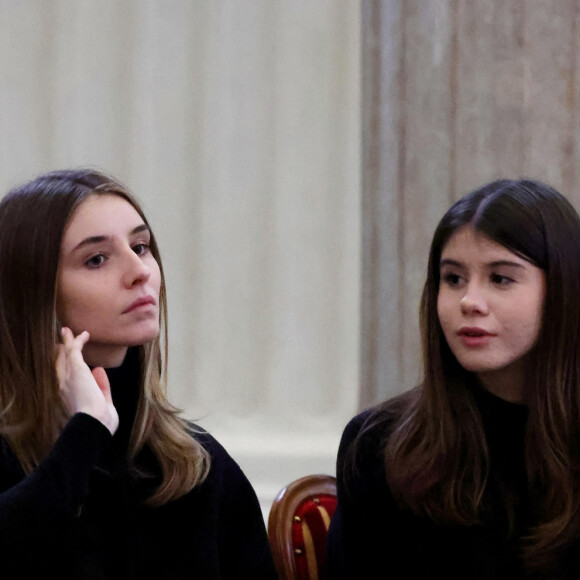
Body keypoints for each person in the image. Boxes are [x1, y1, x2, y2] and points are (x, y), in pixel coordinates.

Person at [0, 168, 277, 579]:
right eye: (96, 259)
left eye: (141, 247)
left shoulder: (194, 463)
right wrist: (85, 434)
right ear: (35, 293)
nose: (140, 272)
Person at [327, 179, 580, 579]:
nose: (469, 302)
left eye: (500, 278)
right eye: (453, 279)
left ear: (564, 291)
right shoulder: (378, 444)